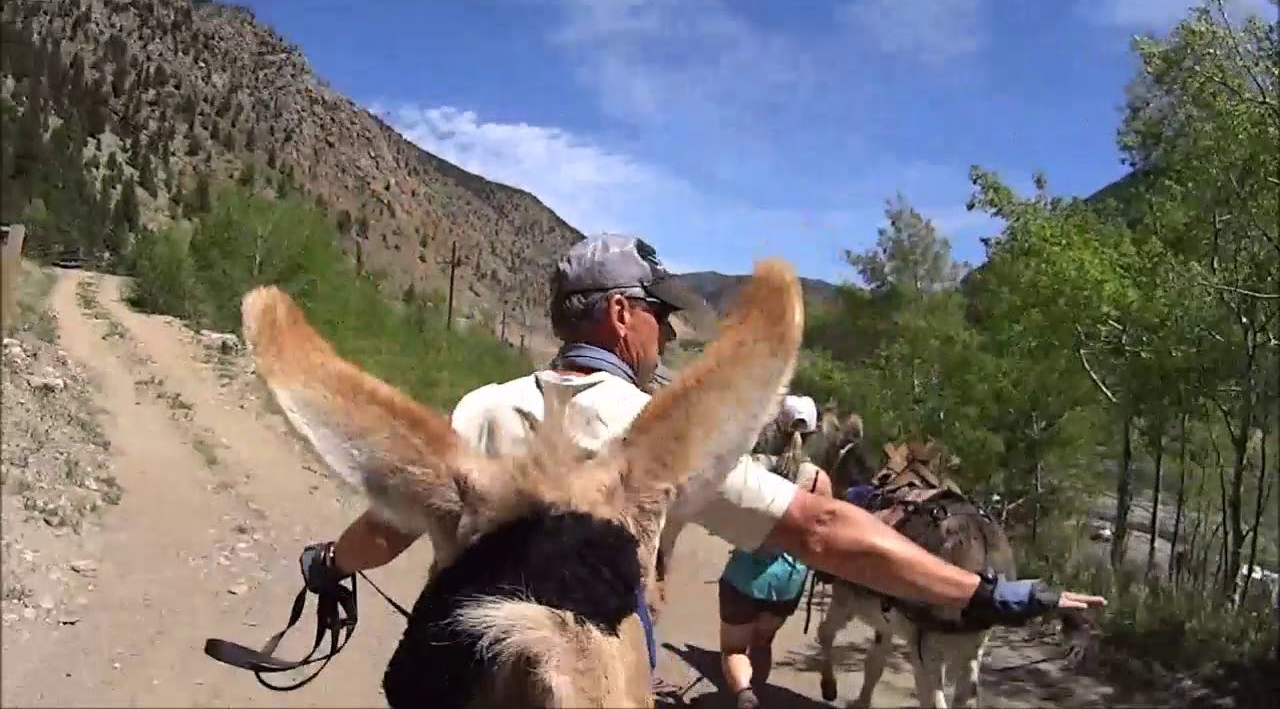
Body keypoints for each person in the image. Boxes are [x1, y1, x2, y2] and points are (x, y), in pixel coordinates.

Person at [299, 233, 1106, 682]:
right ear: (620, 315)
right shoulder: (656, 430)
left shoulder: (478, 407)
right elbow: (820, 528)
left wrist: (328, 566)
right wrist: (995, 594)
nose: (667, 334)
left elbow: (385, 529)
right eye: (658, 315)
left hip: (460, 677)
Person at [718, 398, 831, 709]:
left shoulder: (751, 466)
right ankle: (758, 693)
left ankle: (744, 694)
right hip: (788, 581)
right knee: (763, 641)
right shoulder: (820, 481)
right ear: (812, 434)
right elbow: (824, 532)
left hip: (744, 573)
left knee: (734, 649)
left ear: (775, 425)